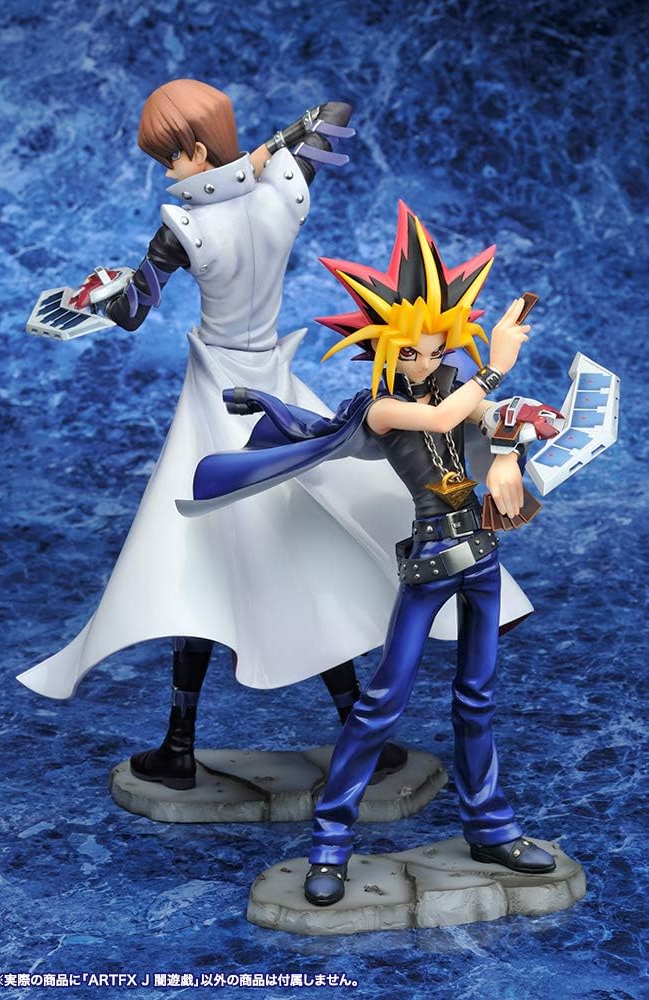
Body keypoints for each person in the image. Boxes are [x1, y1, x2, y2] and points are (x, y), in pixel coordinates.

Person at [18, 80, 419, 788]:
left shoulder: (184, 225)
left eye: (171, 159)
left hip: (216, 400)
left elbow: (133, 312)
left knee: (195, 561)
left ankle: (179, 747)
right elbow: (333, 115)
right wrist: (259, 158)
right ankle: (361, 732)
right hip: (275, 390)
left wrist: (94, 296)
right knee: (306, 548)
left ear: (197, 151)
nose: (166, 174)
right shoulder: (282, 193)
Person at [182, 203, 558, 904]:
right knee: (382, 703)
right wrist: (498, 368)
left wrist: (508, 449)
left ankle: (490, 827)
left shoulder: (451, 385)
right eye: (412, 351)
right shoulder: (381, 408)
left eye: (438, 347)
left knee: (477, 700)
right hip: (430, 561)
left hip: (480, 555)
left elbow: (496, 416)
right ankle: (330, 844)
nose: (427, 360)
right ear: (385, 349)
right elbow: (447, 416)